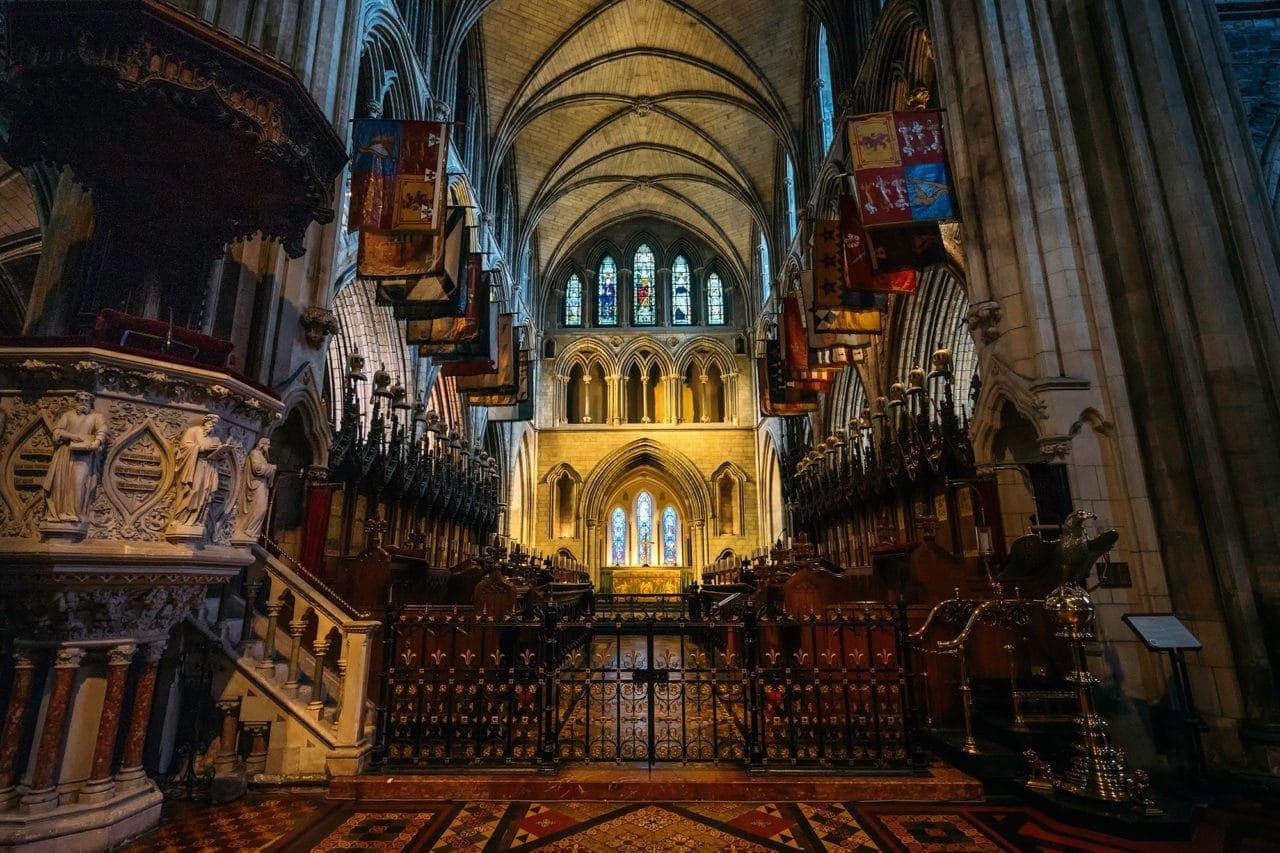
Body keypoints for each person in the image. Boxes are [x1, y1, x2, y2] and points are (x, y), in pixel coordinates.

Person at [42, 391, 107, 523]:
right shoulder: (68, 415)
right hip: (65, 453)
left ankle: (76, 513)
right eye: (81, 400)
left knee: (78, 482)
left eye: (86, 401)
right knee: (62, 483)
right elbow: (57, 431)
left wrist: (97, 442)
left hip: (84, 454)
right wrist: (72, 436)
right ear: (76, 401)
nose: (83, 403)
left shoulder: (96, 416)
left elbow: (102, 430)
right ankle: (62, 513)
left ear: (90, 403)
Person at [172, 414, 223, 529]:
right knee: (193, 490)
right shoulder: (193, 431)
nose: (213, 425)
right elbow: (184, 447)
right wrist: (203, 448)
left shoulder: (214, 437)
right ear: (205, 421)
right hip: (195, 465)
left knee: (206, 493)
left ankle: (197, 520)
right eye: (211, 422)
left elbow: (218, 453)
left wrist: (221, 453)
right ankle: (181, 520)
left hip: (210, 467)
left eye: (215, 424)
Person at [236, 436, 277, 540]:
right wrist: (271, 467)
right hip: (256, 484)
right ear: (261, 444)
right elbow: (257, 469)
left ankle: (251, 530)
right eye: (267, 444)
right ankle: (248, 529)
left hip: (262, 484)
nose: (268, 447)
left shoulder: (262, 456)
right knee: (261, 508)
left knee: (262, 509)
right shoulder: (254, 453)